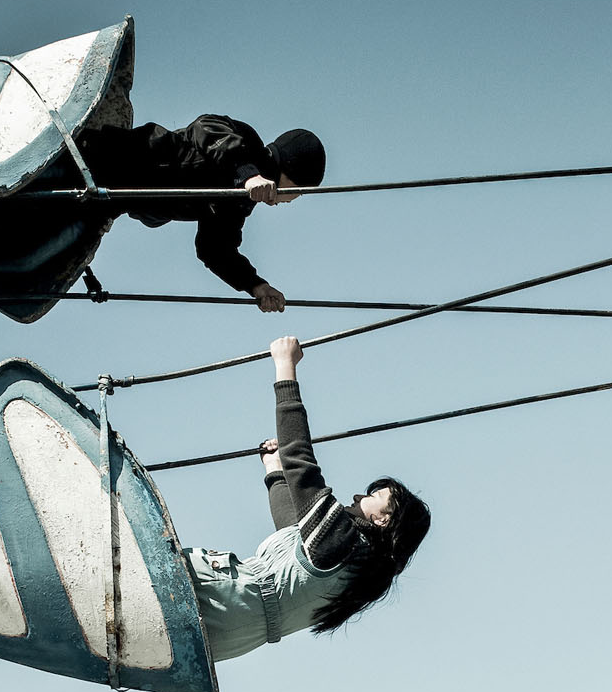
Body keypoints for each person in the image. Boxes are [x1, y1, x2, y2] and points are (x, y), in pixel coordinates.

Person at [183, 336, 431, 662]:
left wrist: (285, 367)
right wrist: (274, 469)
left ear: (384, 520)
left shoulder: (342, 537)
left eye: (373, 495)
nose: (358, 495)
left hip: (219, 598)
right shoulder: (354, 574)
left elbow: (300, 459)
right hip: (228, 637)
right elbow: (292, 527)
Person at [75, 116, 326, 309]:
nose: (292, 200)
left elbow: (215, 249)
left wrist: (255, 285)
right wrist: (248, 175)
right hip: (95, 158)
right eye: (300, 191)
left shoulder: (237, 203)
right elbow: (204, 127)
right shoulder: (247, 142)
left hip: (102, 203)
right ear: (292, 173)